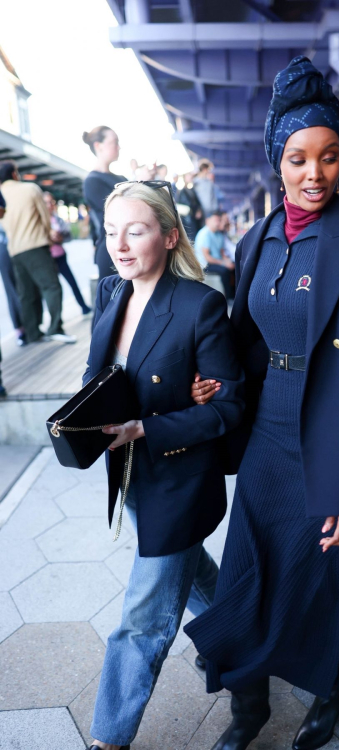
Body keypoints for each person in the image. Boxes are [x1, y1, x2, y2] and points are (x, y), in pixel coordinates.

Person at [185, 56, 339, 750]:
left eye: (329, 156)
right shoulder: (255, 239)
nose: (313, 173)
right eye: (297, 158)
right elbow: (242, 342)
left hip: (334, 437)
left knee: (328, 577)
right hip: (268, 434)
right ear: (277, 162)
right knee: (248, 571)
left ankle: (327, 696)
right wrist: (212, 383)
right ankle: (247, 706)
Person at [84, 180, 244, 750]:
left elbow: (228, 408)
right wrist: (84, 419)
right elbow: (97, 373)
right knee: (192, 572)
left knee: (144, 619)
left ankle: (109, 736)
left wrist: (148, 424)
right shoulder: (110, 291)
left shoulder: (199, 304)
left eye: (136, 230)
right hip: (128, 476)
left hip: (178, 478)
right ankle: (246, 637)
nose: (119, 246)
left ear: (169, 235)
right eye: (110, 233)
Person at [0, 160, 75, 344]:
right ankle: (55, 327)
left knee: (26, 293)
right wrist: (49, 238)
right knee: (51, 286)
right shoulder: (30, 189)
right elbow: (44, 218)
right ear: (15, 174)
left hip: (14, 250)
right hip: (35, 245)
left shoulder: (1, 194)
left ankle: (33, 332)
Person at [82, 126, 126, 283]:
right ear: (98, 146)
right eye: (114, 142)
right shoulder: (92, 181)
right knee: (112, 303)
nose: (118, 146)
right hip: (111, 250)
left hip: (126, 246)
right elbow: (120, 211)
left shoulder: (120, 177)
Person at [43, 192, 92, 316]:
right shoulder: (40, 220)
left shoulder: (57, 218)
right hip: (48, 260)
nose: (49, 205)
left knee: (72, 283)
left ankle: (84, 307)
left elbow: (67, 235)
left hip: (60, 256)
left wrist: (59, 238)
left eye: (51, 202)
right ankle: (56, 318)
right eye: (46, 202)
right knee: (54, 290)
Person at [0, 187, 25, 345]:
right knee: (12, 289)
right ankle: (21, 329)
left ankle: (22, 329)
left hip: (5, 244)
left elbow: (3, 211)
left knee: (15, 288)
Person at [194, 212, 235, 299]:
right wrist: (224, 263)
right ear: (207, 221)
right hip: (205, 264)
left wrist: (228, 262)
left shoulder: (219, 235)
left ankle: (236, 294)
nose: (217, 222)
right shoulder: (204, 234)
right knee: (225, 271)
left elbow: (222, 253)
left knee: (235, 267)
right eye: (215, 220)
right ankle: (228, 297)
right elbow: (207, 257)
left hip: (216, 261)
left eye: (219, 220)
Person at [177, 171, 204, 240]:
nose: (190, 177)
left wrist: (198, 210)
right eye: (188, 176)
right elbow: (186, 203)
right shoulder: (182, 190)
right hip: (188, 218)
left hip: (193, 218)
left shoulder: (192, 189)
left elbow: (197, 203)